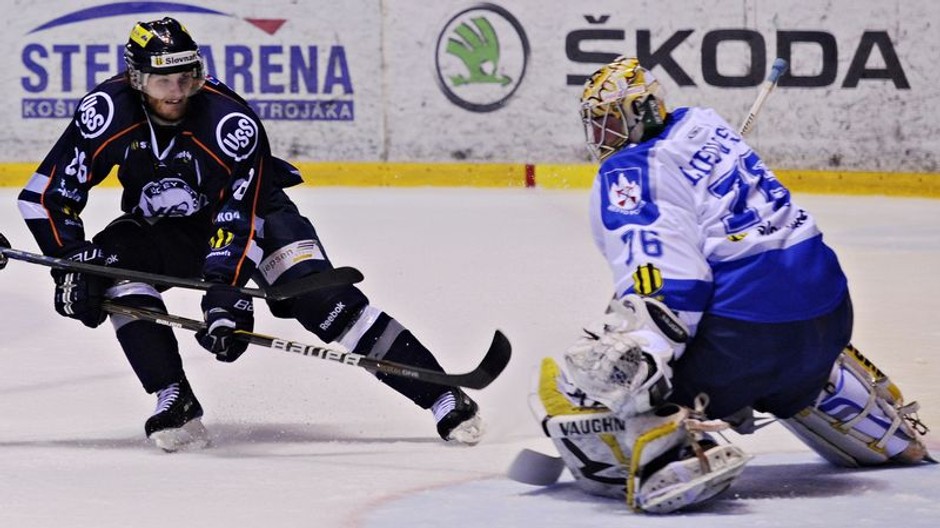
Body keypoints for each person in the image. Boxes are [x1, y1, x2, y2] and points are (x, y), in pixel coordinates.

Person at [16, 17, 482, 451]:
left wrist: (225, 293)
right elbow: (45, 197)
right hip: (167, 228)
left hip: (262, 215)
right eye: (163, 81)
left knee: (322, 302)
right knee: (111, 271)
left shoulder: (229, 124)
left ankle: (442, 395)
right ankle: (173, 399)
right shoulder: (106, 113)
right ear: (136, 80)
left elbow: (239, 217)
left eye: (187, 77)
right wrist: (72, 263)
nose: (177, 92)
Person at [531, 56, 933, 513]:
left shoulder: (630, 173)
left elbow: (672, 284)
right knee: (779, 318)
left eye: (609, 121)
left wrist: (640, 354)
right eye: (596, 125)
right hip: (829, 315)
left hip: (744, 345)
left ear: (641, 112)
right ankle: (852, 405)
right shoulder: (703, 123)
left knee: (587, 378)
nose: (601, 137)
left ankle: (664, 452)